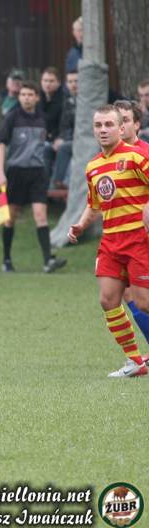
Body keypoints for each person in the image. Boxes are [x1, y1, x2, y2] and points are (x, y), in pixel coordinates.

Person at [67, 105, 149, 377]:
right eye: (98, 125)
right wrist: (81, 224)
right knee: (108, 299)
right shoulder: (93, 166)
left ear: (121, 128)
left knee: (144, 302)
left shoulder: (137, 157)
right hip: (111, 242)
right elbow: (95, 204)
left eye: (109, 125)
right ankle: (135, 361)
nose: (103, 130)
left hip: (139, 240)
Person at [0, 81, 66, 273]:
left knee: (40, 215)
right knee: (10, 217)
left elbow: (52, 138)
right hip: (16, 172)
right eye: (23, 95)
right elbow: (1, 144)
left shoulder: (43, 119)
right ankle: (6, 260)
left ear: (36, 98)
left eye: (30, 95)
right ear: (19, 97)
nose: (26, 98)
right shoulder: (12, 118)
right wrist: (0, 172)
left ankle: (48, 261)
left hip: (37, 172)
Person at [113, 100, 149, 347]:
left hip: (142, 237)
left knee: (140, 295)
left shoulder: (144, 153)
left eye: (124, 120)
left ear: (137, 124)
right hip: (123, 239)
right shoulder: (109, 157)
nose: (119, 125)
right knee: (127, 293)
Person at [50, 70, 78, 189]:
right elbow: (64, 125)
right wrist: (61, 138)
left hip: (86, 140)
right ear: (66, 84)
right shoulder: (67, 101)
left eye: (76, 81)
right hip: (70, 138)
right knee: (50, 147)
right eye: (70, 82)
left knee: (64, 148)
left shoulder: (87, 101)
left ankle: (57, 183)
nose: (73, 84)